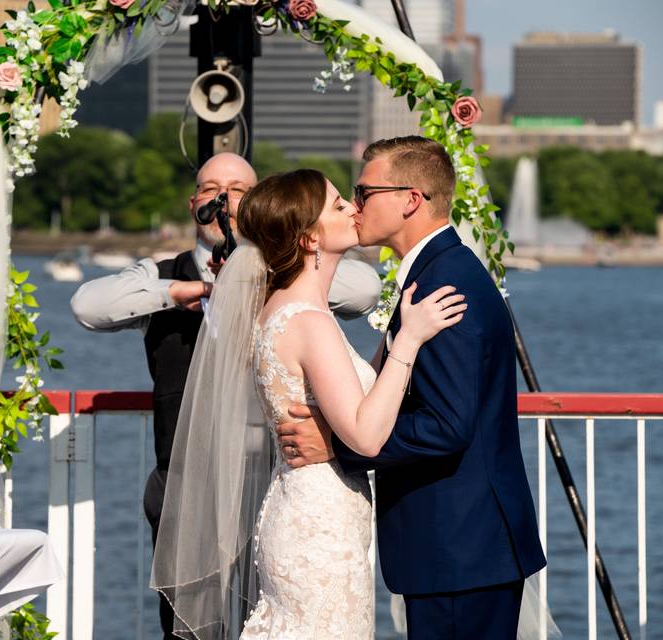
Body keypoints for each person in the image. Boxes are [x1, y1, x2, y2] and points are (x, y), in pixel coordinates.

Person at [71, 152, 382, 639]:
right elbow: (87, 305)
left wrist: (263, 261)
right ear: (194, 202)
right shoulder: (162, 273)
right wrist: (183, 290)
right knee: (189, 627)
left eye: (238, 190)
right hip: (186, 480)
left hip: (273, 479)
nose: (223, 200)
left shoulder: (285, 278)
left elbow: (364, 291)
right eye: (211, 188)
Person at [149, 166, 465, 639]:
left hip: (305, 509)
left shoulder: (285, 308)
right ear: (310, 239)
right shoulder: (308, 320)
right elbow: (365, 433)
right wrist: (410, 342)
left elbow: (356, 395)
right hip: (319, 528)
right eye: (339, 205)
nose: (354, 209)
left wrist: (395, 331)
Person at [275, 137, 549, 639]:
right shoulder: (432, 273)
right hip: (456, 548)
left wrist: (337, 447)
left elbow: (447, 426)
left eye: (364, 191)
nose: (356, 206)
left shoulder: (447, 285)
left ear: (410, 200)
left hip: (460, 550)